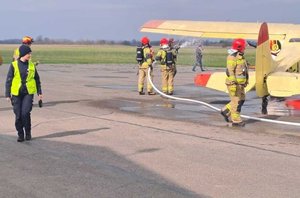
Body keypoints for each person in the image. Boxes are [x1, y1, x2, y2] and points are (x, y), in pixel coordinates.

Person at [5, 44, 43, 142]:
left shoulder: (31, 65)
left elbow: (37, 79)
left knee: (25, 113)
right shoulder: (14, 65)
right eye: (28, 53)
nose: (30, 55)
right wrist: (7, 94)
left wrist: (39, 92)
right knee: (18, 115)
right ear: (23, 54)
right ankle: (20, 134)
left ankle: (28, 132)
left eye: (30, 53)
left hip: (28, 93)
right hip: (16, 94)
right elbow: (9, 80)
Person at [220, 38, 248, 127]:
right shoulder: (232, 57)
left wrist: (246, 80)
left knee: (241, 99)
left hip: (240, 84)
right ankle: (236, 120)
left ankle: (226, 111)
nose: (245, 48)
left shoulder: (240, 56)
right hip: (234, 84)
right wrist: (233, 84)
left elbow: (243, 70)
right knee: (236, 102)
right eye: (244, 46)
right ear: (240, 47)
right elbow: (230, 71)